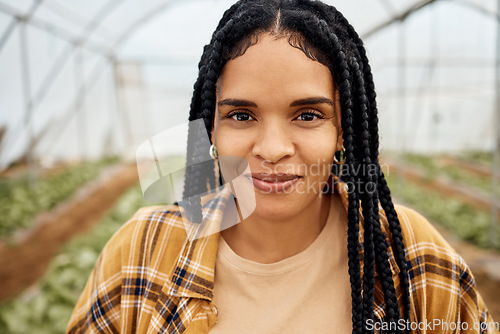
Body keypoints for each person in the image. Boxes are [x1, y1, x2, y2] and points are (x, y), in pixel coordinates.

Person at [67, 0, 498, 333]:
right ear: (209, 129)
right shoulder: (140, 253)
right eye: (241, 115)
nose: (272, 149)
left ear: (343, 132)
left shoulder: (412, 256)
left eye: (308, 115)